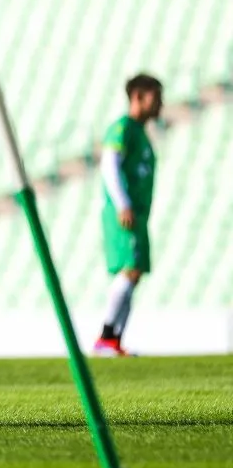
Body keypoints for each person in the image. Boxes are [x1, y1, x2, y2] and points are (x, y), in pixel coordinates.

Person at [93, 75, 163, 357]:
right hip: (125, 212)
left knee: (133, 275)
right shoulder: (123, 128)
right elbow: (109, 164)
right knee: (129, 270)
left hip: (136, 213)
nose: (160, 104)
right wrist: (122, 203)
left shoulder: (140, 132)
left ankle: (114, 340)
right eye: (155, 97)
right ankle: (106, 337)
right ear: (137, 96)